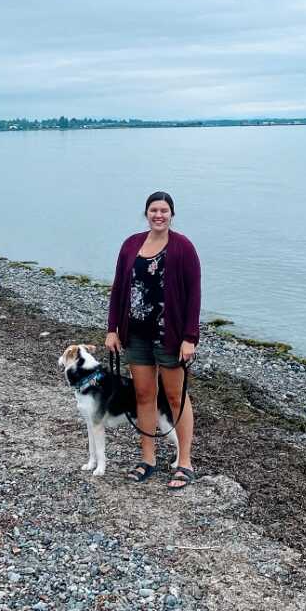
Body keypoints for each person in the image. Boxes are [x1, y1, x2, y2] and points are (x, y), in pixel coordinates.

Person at [105, 191, 200, 489]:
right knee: (144, 396)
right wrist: (112, 329)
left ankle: (184, 462)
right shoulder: (131, 244)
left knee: (175, 397)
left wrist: (189, 337)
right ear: (146, 213)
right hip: (135, 335)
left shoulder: (183, 247)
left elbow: (194, 294)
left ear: (172, 214)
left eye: (164, 210)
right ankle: (147, 459)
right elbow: (119, 288)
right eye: (153, 210)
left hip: (169, 336)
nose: (159, 215)